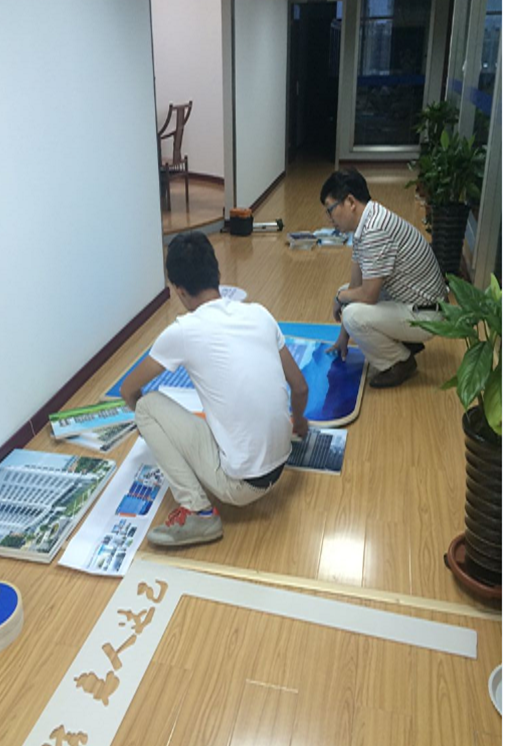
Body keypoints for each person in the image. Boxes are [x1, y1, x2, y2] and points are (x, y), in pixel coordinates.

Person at [120, 231, 309, 548]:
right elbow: (300, 387)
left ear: (180, 291)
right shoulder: (259, 313)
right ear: (217, 273)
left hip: (240, 486)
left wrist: (152, 430)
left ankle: (199, 512)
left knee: (146, 407)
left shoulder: (183, 331)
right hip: (280, 465)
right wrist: (299, 422)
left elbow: (128, 390)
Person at [320, 169, 448, 388]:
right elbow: (355, 286)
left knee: (352, 314)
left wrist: (339, 298)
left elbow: (368, 295)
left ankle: (399, 362)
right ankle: (403, 341)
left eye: (330, 209)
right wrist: (343, 337)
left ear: (350, 202)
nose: (330, 218)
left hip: (427, 314)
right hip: (415, 301)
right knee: (347, 292)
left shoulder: (374, 230)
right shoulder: (367, 221)